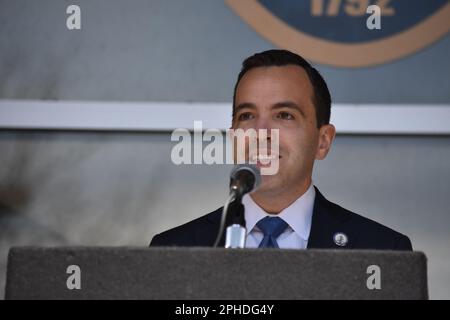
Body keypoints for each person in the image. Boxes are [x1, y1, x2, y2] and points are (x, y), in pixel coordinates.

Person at [150, 49, 412, 250]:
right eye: (247, 115)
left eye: (284, 115)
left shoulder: (383, 249)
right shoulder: (173, 249)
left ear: (323, 141)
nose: (261, 132)